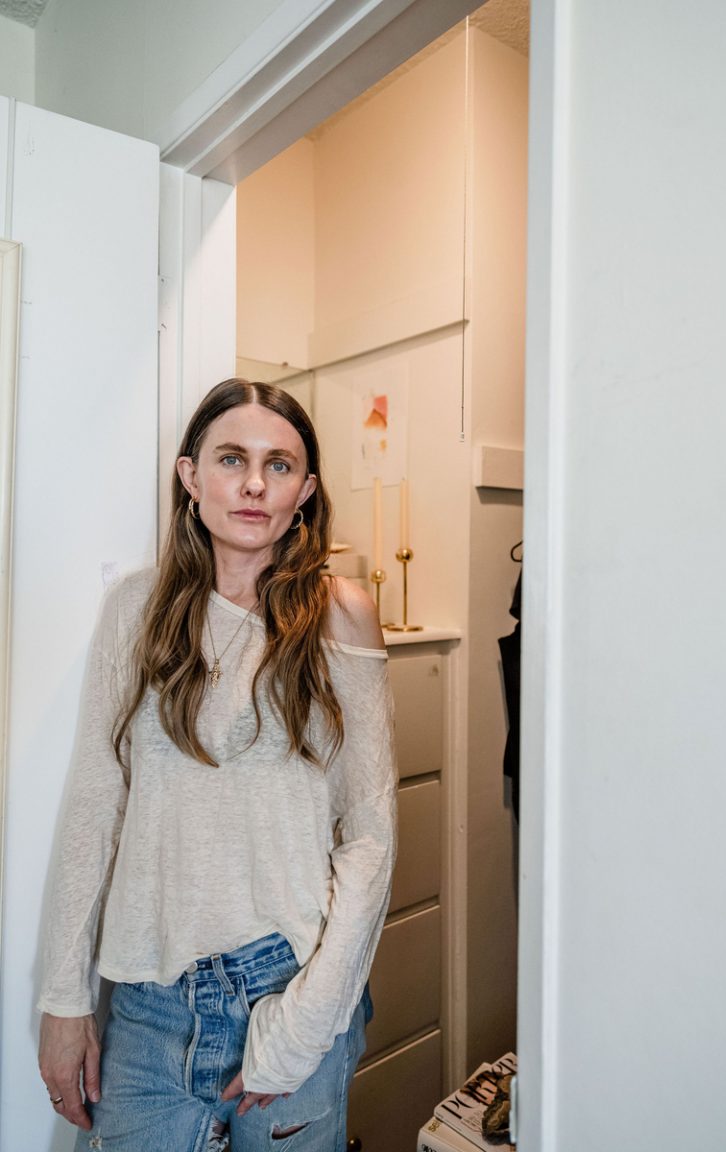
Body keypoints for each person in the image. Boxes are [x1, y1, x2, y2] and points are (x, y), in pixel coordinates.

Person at [37, 379, 397, 1152]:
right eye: (233, 459)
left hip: (291, 979)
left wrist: (306, 1024)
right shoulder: (135, 610)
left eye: (280, 465)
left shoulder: (342, 613)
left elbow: (369, 833)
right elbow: (97, 803)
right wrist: (63, 1000)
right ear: (190, 475)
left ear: (305, 492)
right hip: (148, 1002)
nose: (255, 483)